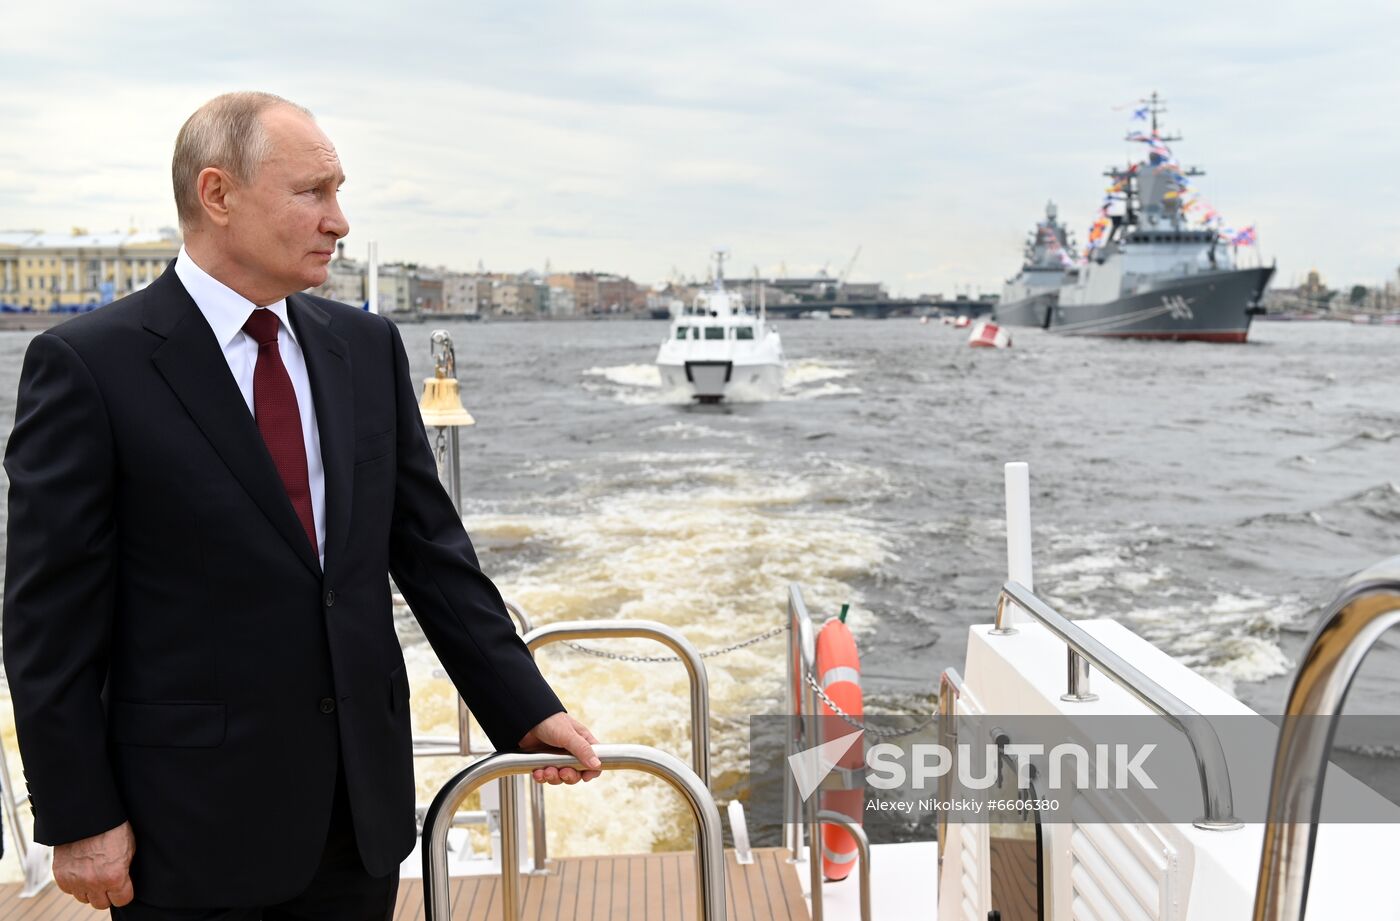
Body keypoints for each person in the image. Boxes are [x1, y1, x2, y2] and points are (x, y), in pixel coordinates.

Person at [2, 91, 600, 919]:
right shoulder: (88, 366)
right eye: (312, 192)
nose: (340, 220)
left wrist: (526, 708)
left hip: (360, 815)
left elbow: (430, 552)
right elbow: (47, 617)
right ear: (218, 195)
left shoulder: (364, 347)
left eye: (339, 191)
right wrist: (79, 813)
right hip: (189, 827)